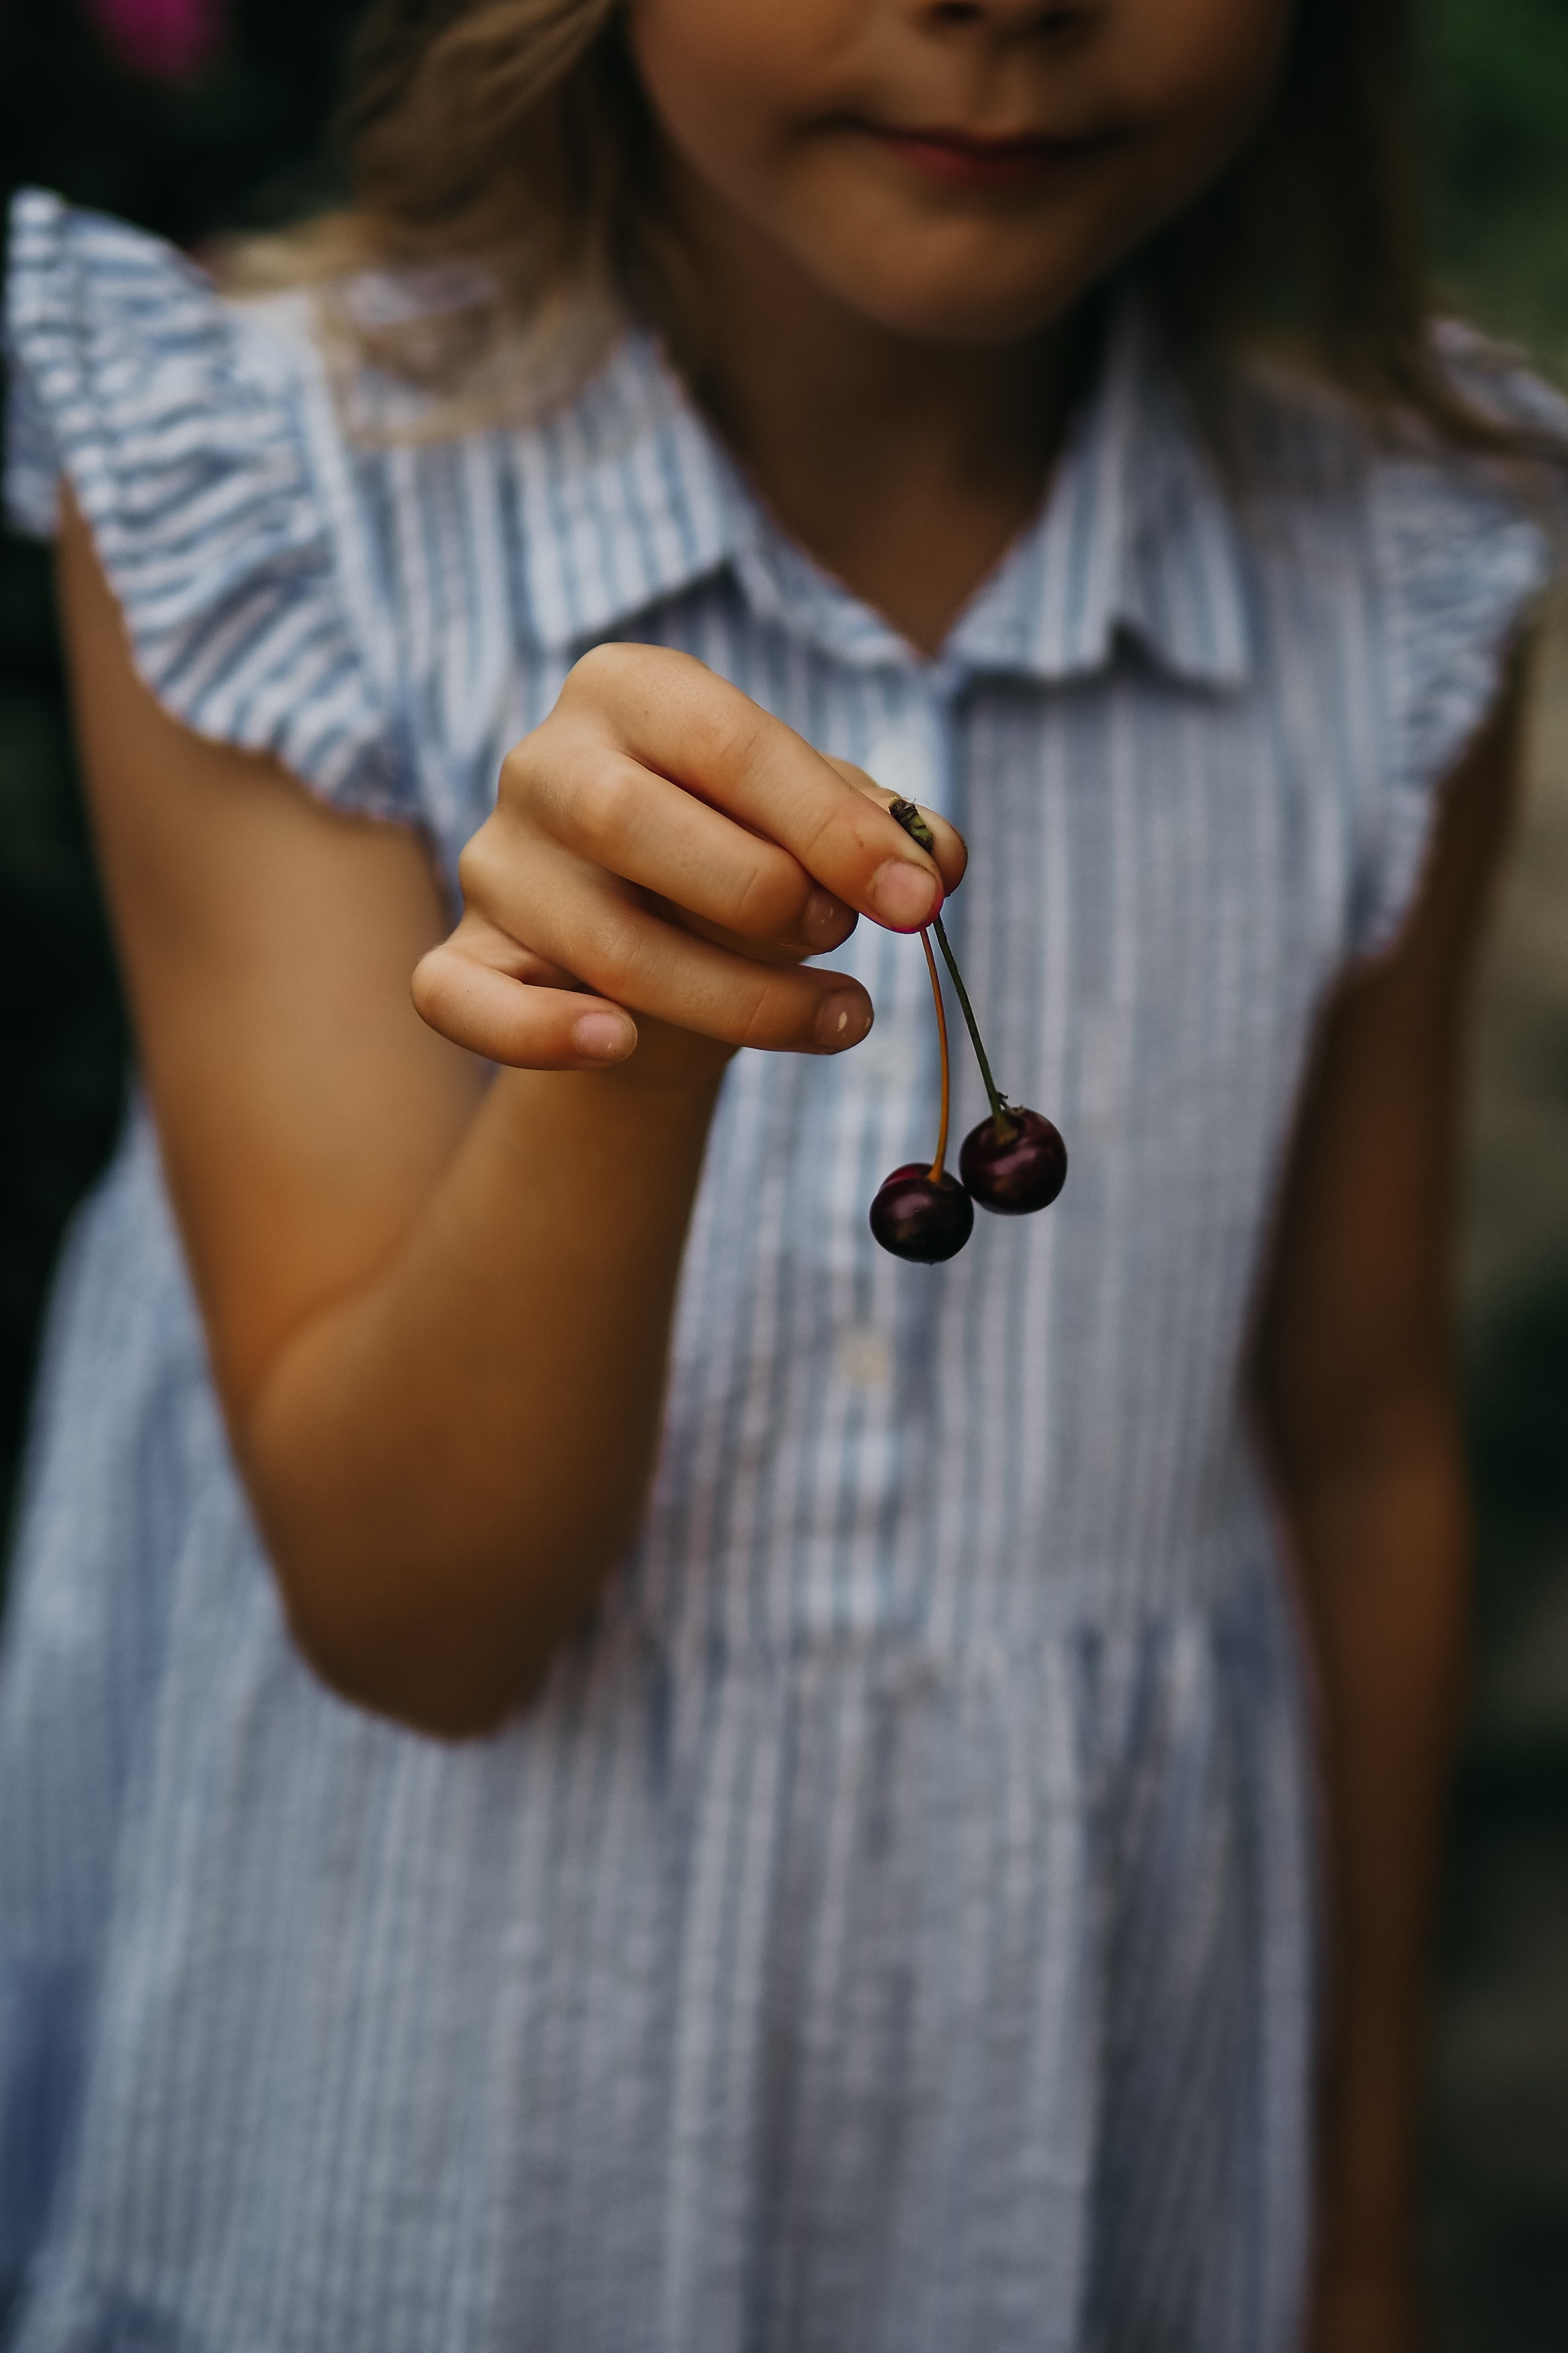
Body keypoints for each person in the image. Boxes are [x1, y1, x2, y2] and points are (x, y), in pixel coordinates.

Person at [1, 0, 1562, 2345]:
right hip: (419, 2144)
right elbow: (419, 1614)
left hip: (1060, 2142)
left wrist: (1348, 2235)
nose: (1010, 6)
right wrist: (621, 1046)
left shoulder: (1399, 565)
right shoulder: (267, 486)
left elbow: (1354, 1451)